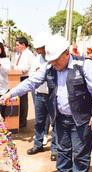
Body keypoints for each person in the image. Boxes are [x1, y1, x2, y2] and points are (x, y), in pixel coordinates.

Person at [0, 35, 92, 172]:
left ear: (67, 53)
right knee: (63, 151)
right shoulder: (49, 68)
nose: (54, 63)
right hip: (60, 119)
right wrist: (10, 93)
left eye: (57, 59)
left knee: (80, 154)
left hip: (82, 121)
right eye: (51, 60)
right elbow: (31, 83)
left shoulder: (85, 66)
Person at [27, 32, 57, 161]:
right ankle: (38, 144)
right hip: (39, 93)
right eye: (38, 48)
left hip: (53, 94)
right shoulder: (36, 59)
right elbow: (31, 76)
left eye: (41, 48)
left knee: (55, 122)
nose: (39, 51)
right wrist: (37, 72)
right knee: (39, 121)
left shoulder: (55, 58)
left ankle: (55, 149)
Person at [13, 36, 35, 128]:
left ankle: (22, 121)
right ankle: (17, 120)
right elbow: (15, 65)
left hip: (24, 78)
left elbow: (25, 69)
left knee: (23, 100)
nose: (16, 47)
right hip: (15, 78)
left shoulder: (28, 54)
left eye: (17, 45)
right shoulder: (18, 54)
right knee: (17, 100)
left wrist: (16, 70)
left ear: (23, 45)